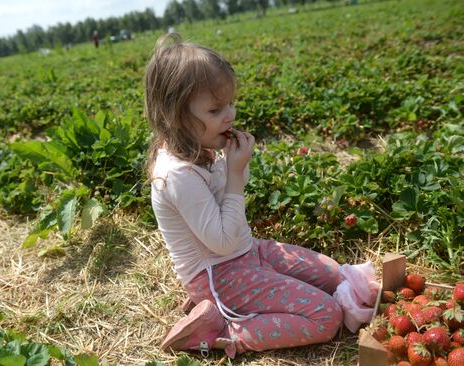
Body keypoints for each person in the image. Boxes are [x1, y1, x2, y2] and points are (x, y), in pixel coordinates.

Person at [144, 32, 379, 359]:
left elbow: (230, 211)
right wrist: (236, 173)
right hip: (219, 273)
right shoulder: (177, 175)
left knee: (338, 274)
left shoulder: (202, 146)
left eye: (229, 103)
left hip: (247, 250)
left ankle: (224, 307)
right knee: (327, 316)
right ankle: (222, 332)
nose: (230, 115)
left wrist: (234, 165)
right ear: (175, 116)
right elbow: (222, 242)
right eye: (215, 110)